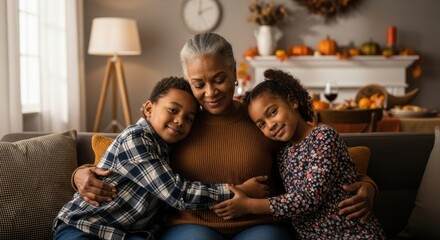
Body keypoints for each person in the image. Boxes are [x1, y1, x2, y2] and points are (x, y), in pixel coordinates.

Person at [72, 33, 378, 240]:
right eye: (199, 83)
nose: (210, 92)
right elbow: (125, 160)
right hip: (192, 223)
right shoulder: (179, 122)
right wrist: (79, 174)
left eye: (219, 79)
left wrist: (367, 185)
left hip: (259, 223)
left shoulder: (262, 116)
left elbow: (312, 157)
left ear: (234, 71)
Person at [53, 77, 269, 240]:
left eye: (189, 118)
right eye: (173, 110)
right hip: (85, 227)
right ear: (149, 108)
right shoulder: (135, 139)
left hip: (127, 234)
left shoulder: (169, 146)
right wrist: (240, 191)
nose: (179, 121)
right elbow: (177, 193)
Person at [211, 69, 386, 239]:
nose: (270, 125)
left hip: (350, 233)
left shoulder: (323, 137)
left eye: (273, 112)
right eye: (261, 124)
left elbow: (309, 199)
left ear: (293, 101)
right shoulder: (282, 152)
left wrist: (249, 206)